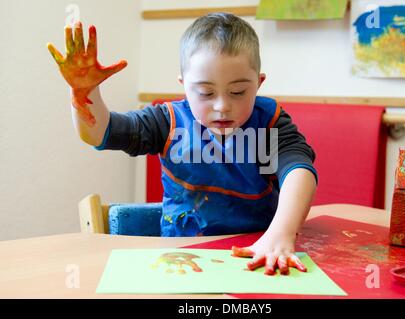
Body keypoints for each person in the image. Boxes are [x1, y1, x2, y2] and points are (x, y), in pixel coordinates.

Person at [47, 13, 317, 276]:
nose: (222, 106)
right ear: (184, 86)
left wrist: (280, 235)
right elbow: (99, 133)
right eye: (205, 93)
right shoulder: (169, 121)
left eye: (238, 92)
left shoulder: (267, 123)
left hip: (258, 255)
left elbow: (299, 171)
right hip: (182, 260)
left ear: (258, 84)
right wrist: (84, 93)